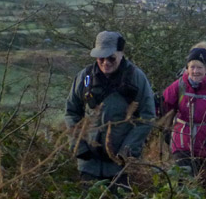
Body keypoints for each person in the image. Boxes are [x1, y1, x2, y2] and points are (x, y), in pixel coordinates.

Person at [65, 31, 155, 193]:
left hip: (121, 166)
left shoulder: (136, 78)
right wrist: (79, 145)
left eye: (111, 58)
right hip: (89, 163)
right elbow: (72, 112)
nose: (106, 62)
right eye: (101, 58)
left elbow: (147, 117)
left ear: (121, 53)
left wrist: (127, 151)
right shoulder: (85, 77)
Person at [162, 44, 206, 186]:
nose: (195, 71)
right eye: (192, 67)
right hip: (181, 143)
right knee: (183, 184)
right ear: (187, 68)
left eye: (199, 67)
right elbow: (165, 105)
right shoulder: (179, 85)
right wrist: (166, 127)